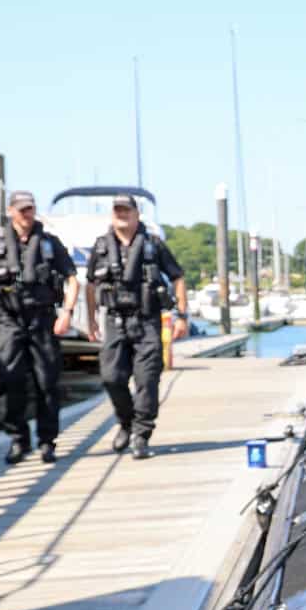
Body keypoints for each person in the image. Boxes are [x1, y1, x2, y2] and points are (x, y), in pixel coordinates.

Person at [0, 190, 79, 464]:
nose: (26, 214)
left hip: (43, 319)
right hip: (10, 320)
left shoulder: (49, 243)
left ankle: (47, 441)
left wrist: (67, 313)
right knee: (10, 381)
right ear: (10, 211)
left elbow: (73, 278)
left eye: (30, 209)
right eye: (21, 209)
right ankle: (18, 440)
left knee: (47, 382)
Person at [84, 194, 188, 460]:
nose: (121, 214)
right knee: (111, 378)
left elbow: (177, 277)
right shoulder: (101, 247)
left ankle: (141, 435)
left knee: (147, 379)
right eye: (117, 210)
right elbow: (91, 284)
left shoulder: (153, 244)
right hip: (115, 320)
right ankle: (125, 422)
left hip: (147, 320)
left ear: (137, 214)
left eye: (126, 210)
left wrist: (182, 316)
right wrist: (92, 318)